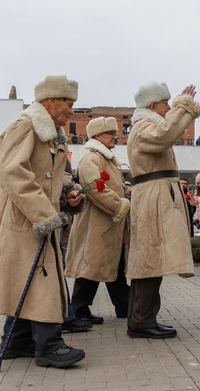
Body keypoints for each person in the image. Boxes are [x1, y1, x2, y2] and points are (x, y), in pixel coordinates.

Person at [0, 75, 85, 368]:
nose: (71, 110)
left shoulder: (49, 132)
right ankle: (49, 346)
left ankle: (16, 341)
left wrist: (68, 196)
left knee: (24, 277)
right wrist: (46, 214)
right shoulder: (26, 126)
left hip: (34, 215)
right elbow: (14, 172)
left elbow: (47, 179)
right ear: (50, 102)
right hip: (23, 217)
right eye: (68, 103)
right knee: (43, 278)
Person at [126, 81, 200, 339]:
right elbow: (165, 134)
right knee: (149, 259)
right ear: (152, 105)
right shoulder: (144, 128)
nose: (168, 107)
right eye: (165, 104)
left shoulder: (145, 125)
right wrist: (184, 105)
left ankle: (143, 319)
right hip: (153, 198)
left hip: (155, 196)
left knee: (151, 259)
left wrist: (180, 106)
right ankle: (141, 321)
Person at [67, 117, 131, 325]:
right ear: (97, 136)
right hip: (97, 222)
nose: (115, 136)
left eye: (114, 133)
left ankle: (123, 304)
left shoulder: (104, 157)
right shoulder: (90, 159)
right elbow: (96, 188)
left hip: (107, 222)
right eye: (110, 133)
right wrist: (118, 205)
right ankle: (79, 309)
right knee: (91, 266)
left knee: (113, 263)